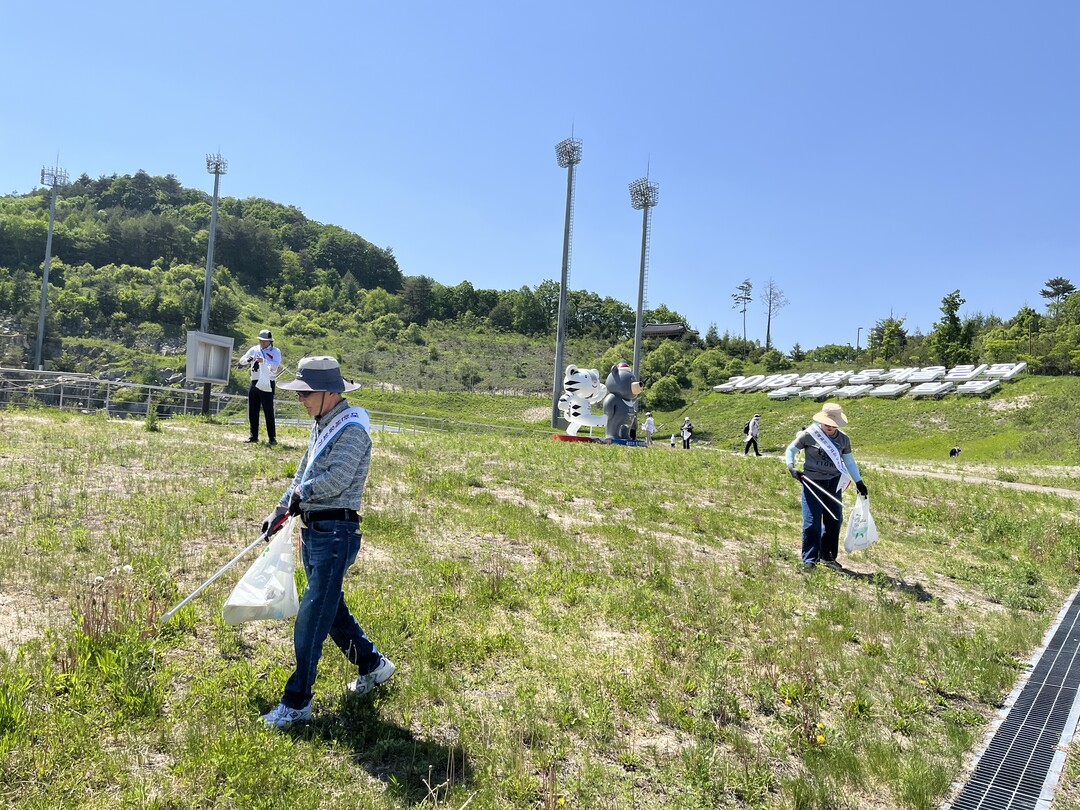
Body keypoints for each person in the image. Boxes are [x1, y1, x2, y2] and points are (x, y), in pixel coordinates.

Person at [259, 356, 394, 729]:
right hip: (315, 531)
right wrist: (280, 509)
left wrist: (300, 497)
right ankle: (373, 665)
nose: (300, 399)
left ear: (329, 393)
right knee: (329, 610)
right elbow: (302, 474)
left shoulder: (352, 429)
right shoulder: (322, 425)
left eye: (306, 393)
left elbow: (336, 479)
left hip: (336, 534)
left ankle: (297, 701)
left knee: (311, 617)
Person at [784, 402, 868, 570]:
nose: (830, 427)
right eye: (827, 423)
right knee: (812, 521)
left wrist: (859, 482)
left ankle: (827, 556)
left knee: (834, 520)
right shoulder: (809, 435)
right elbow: (790, 450)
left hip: (833, 483)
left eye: (833, 424)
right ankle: (810, 559)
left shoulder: (844, 439)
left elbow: (849, 462)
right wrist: (791, 467)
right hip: (812, 483)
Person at [238, 329, 282, 445]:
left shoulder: (275, 351)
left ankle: (272, 437)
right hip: (254, 380)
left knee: (268, 410)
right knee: (253, 409)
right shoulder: (254, 349)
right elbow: (242, 361)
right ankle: (253, 436)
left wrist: (264, 361)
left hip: (268, 381)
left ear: (270, 341)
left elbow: (275, 366)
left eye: (265, 341)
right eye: (261, 340)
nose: (262, 343)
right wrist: (250, 359)